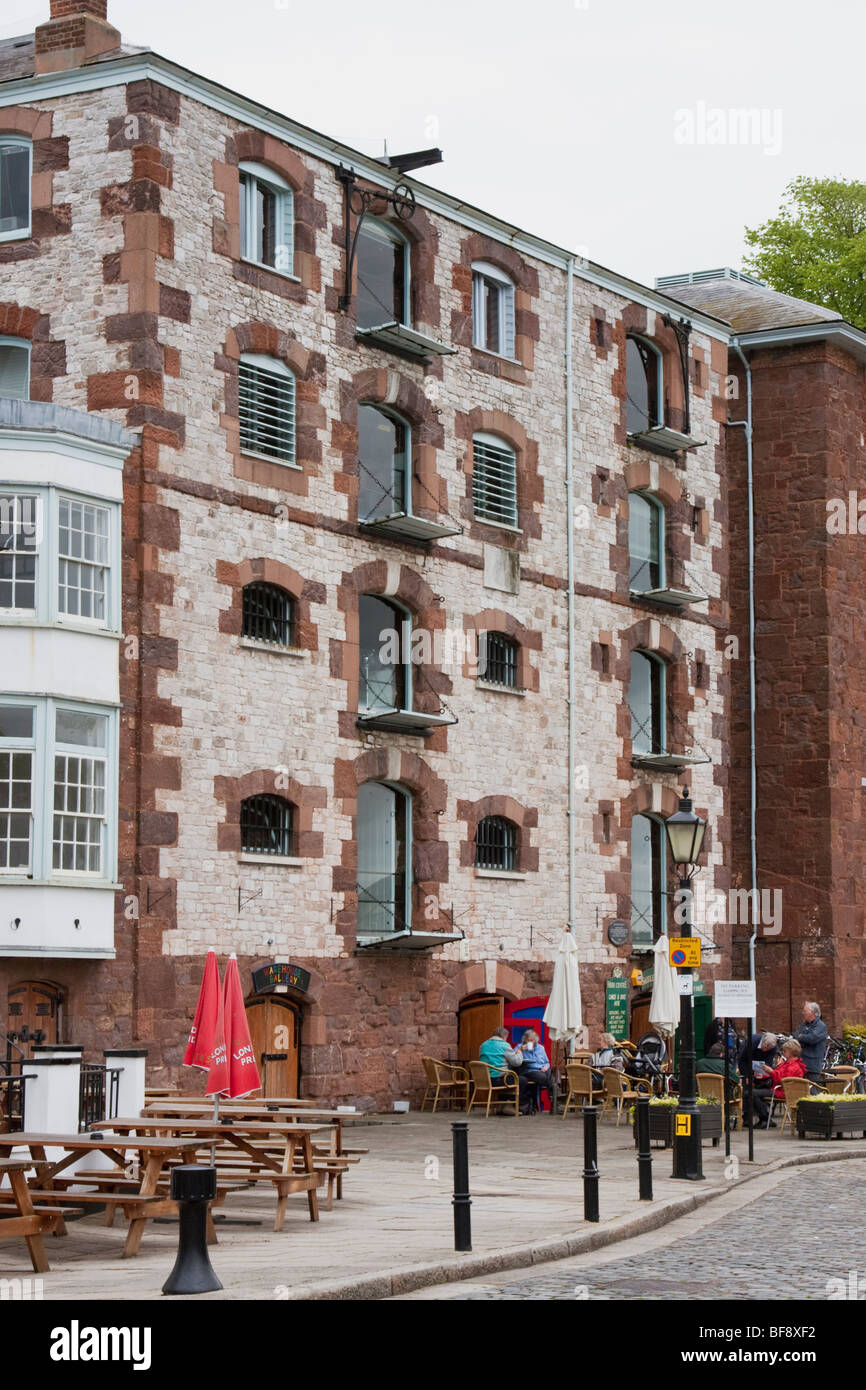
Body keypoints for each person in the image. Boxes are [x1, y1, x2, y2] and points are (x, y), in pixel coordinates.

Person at [756, 1038, 807, 1124]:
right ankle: (764, 1118)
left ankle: (765, 1119)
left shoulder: (794, 1066)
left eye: (785, 1051)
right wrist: (763, 1076)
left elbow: (783, 1081)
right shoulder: (787, 1063)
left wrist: (771, 1071)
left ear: (791, 1052)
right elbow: (778, 1074)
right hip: (779, 1089)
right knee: (752, 1092)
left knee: (752, 1093)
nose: (783, 1052)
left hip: (783, 1091)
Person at [512, 1029, 556, 1113]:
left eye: (531, 1040)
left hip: (542, 1070)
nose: (530, 1042)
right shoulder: (520, 1047)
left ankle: (553, 1097)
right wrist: (521, 1050)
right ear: (524, 1040)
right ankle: (554, 1098)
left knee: (553, 1073)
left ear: (535, 1040)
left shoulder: (541, 1048)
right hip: (528, 1070)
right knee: (549, 1078)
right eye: (528, 1040)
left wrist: (546, 1067)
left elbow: (547, 1062)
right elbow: (513, 1059)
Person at [793, 1002, 829, 1084]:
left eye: (805, 1011)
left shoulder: (820, 1026)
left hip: (813, 1065)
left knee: (813, 1090)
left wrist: (801, 1037)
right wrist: (803, 1037)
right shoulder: (803, 1025)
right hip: (801, 1063)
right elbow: (795, 1035)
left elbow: (812, 1039)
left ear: (812, 1013)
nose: (803, 1013)